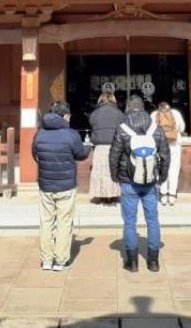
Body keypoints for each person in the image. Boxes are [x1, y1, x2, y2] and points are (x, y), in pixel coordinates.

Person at [109, 96, 169, 272]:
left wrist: (115, 176)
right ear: (143, 108)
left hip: (128, 181)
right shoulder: (156, 128)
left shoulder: (122, 129)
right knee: (152, 220)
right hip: (150, 182)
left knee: (129, 222)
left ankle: (132, 262)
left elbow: (114, 155)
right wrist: (162, 177)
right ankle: (153, 262)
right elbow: (165, 156)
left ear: (128, 108)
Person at [32, 100, 91, 271]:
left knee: (46, 221)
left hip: (46, 184)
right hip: (66, 185)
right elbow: (80, 155)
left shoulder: (39, 134)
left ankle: (46, 260)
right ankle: (60, 260)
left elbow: (35, 154)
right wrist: (87, 148)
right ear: (65, 116)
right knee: (64, 221)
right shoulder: (71, 134)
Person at [87, 91, 123, 203]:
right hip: (114, 146)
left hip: (100, 146)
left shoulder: (95, 113)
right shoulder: (119, 113)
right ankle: (113, 195)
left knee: (100, 171)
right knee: (113, 171)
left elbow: (91, 123)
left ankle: (100, 194)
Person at [151, 101, 185, 206]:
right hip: (174, 145)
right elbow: (182, 128)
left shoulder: (154, 114)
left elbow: (150, 131)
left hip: (160, 145)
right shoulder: (176, 113)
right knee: (173, 169)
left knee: (162, 168)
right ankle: (172, 195)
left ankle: (163, 195)